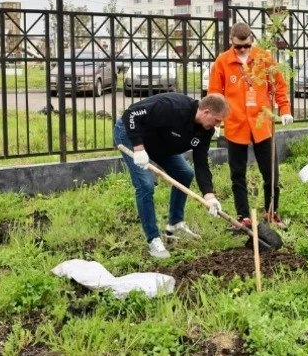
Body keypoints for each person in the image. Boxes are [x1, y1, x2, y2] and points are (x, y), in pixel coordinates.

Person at [114, 92, 229, 259]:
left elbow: (201, 164)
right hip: (131, 135)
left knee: (185, 173)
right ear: (206, 112)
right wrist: (138, 147)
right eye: (217, 120)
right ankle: (153, 239)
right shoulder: (173, 107)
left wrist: (209, 195)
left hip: (159, 143)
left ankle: (175, 224)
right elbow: (130, 114)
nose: (218, 125)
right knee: (145, 184)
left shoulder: (206, 131)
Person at [208, 22, 293, 230]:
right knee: (237, 173)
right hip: (236, 125)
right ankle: (243, 217)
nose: (243, 50)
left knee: (270, 172)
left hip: (262, 124)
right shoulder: (222, 62)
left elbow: (278, 85)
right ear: (231, 41)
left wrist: (285, 109)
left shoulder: (264, 58)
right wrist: (216, 121)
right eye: (239, 47)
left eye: (247, 45)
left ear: (251, 41)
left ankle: (272, 212)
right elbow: (215, 93)